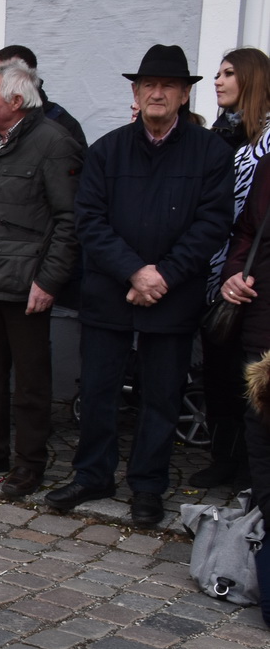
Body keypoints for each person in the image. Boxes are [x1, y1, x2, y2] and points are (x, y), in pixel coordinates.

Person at [53, 45, 234, 527]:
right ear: (134, 92)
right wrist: (135, 271)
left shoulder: (210, 152)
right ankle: (93, 474)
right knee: (97, 389)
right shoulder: (108, 148)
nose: (157, 93)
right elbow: (89, 221)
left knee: (161, 396)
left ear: (184, 94)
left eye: (168, 85)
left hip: (173, 295)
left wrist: (163, 276)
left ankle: (148, 485)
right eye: (148, 85)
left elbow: (213, 224)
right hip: (112, 289)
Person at [0, 60, 82, 498]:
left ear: (16, 100)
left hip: (26, 283)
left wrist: (49, 281)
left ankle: (29, 464)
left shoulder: (52, 143)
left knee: (30, 381)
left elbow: (69, 220)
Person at [196, 48, 270, 489]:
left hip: (253, 277)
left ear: (251, 78)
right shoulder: (225, 135)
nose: (218, 81)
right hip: (218, 271)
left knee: (250, 377)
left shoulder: (265, 143)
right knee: (219, 371)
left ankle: (248, 467)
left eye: (228, 74)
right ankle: (224, 457)